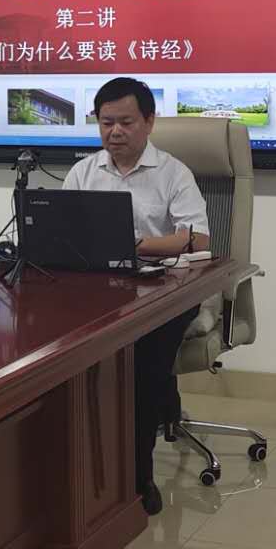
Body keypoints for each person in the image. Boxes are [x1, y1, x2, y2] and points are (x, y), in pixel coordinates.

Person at [63, 76, 210, 516]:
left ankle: (137, 476)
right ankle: (75, 470)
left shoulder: (173, 173)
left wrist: (134, 245)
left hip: (164, 293)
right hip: (98, 289)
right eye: (106, 122)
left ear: (149, 122)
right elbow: (64, 232)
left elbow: (197, 239)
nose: (115, 132)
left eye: (126, 122)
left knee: (142, 361)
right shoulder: (84, 172)